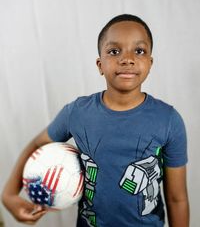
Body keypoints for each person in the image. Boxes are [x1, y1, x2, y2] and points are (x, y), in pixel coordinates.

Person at [1, 14, 189, 227]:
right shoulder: (78, 113)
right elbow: (38, 144)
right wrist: (9, 194)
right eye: (114, 51)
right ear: (100, 65)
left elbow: (177, 198)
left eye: (139, 51)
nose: (127, 58)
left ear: (150, 62)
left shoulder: (168, 120)